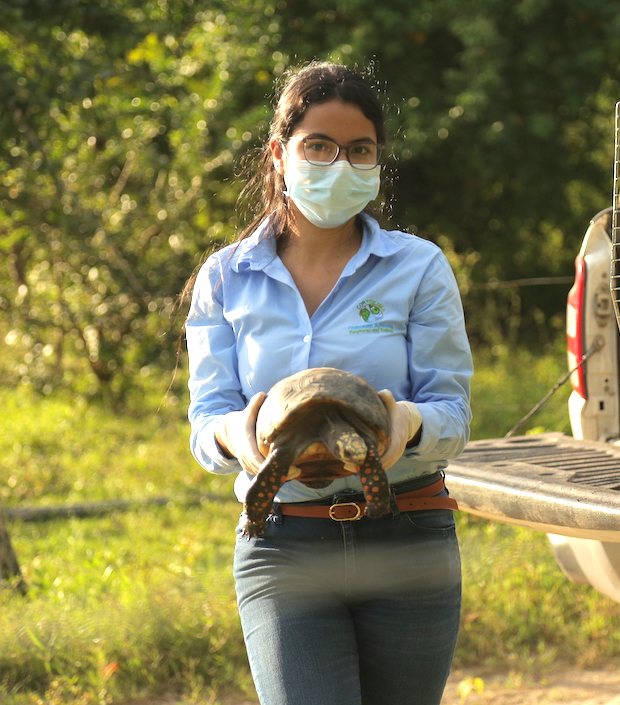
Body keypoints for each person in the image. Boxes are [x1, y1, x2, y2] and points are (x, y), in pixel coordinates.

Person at [185, 61, 473, 705]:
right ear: (279, 156)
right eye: (318, 145)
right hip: (283, 542)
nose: (339, 163)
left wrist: (408, 425)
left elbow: (452, 412)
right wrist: (238, 432)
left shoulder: (417, 267)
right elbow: (206, 426)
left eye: (360, 149)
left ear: (377, 162)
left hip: (408, 533)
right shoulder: (225, 278)